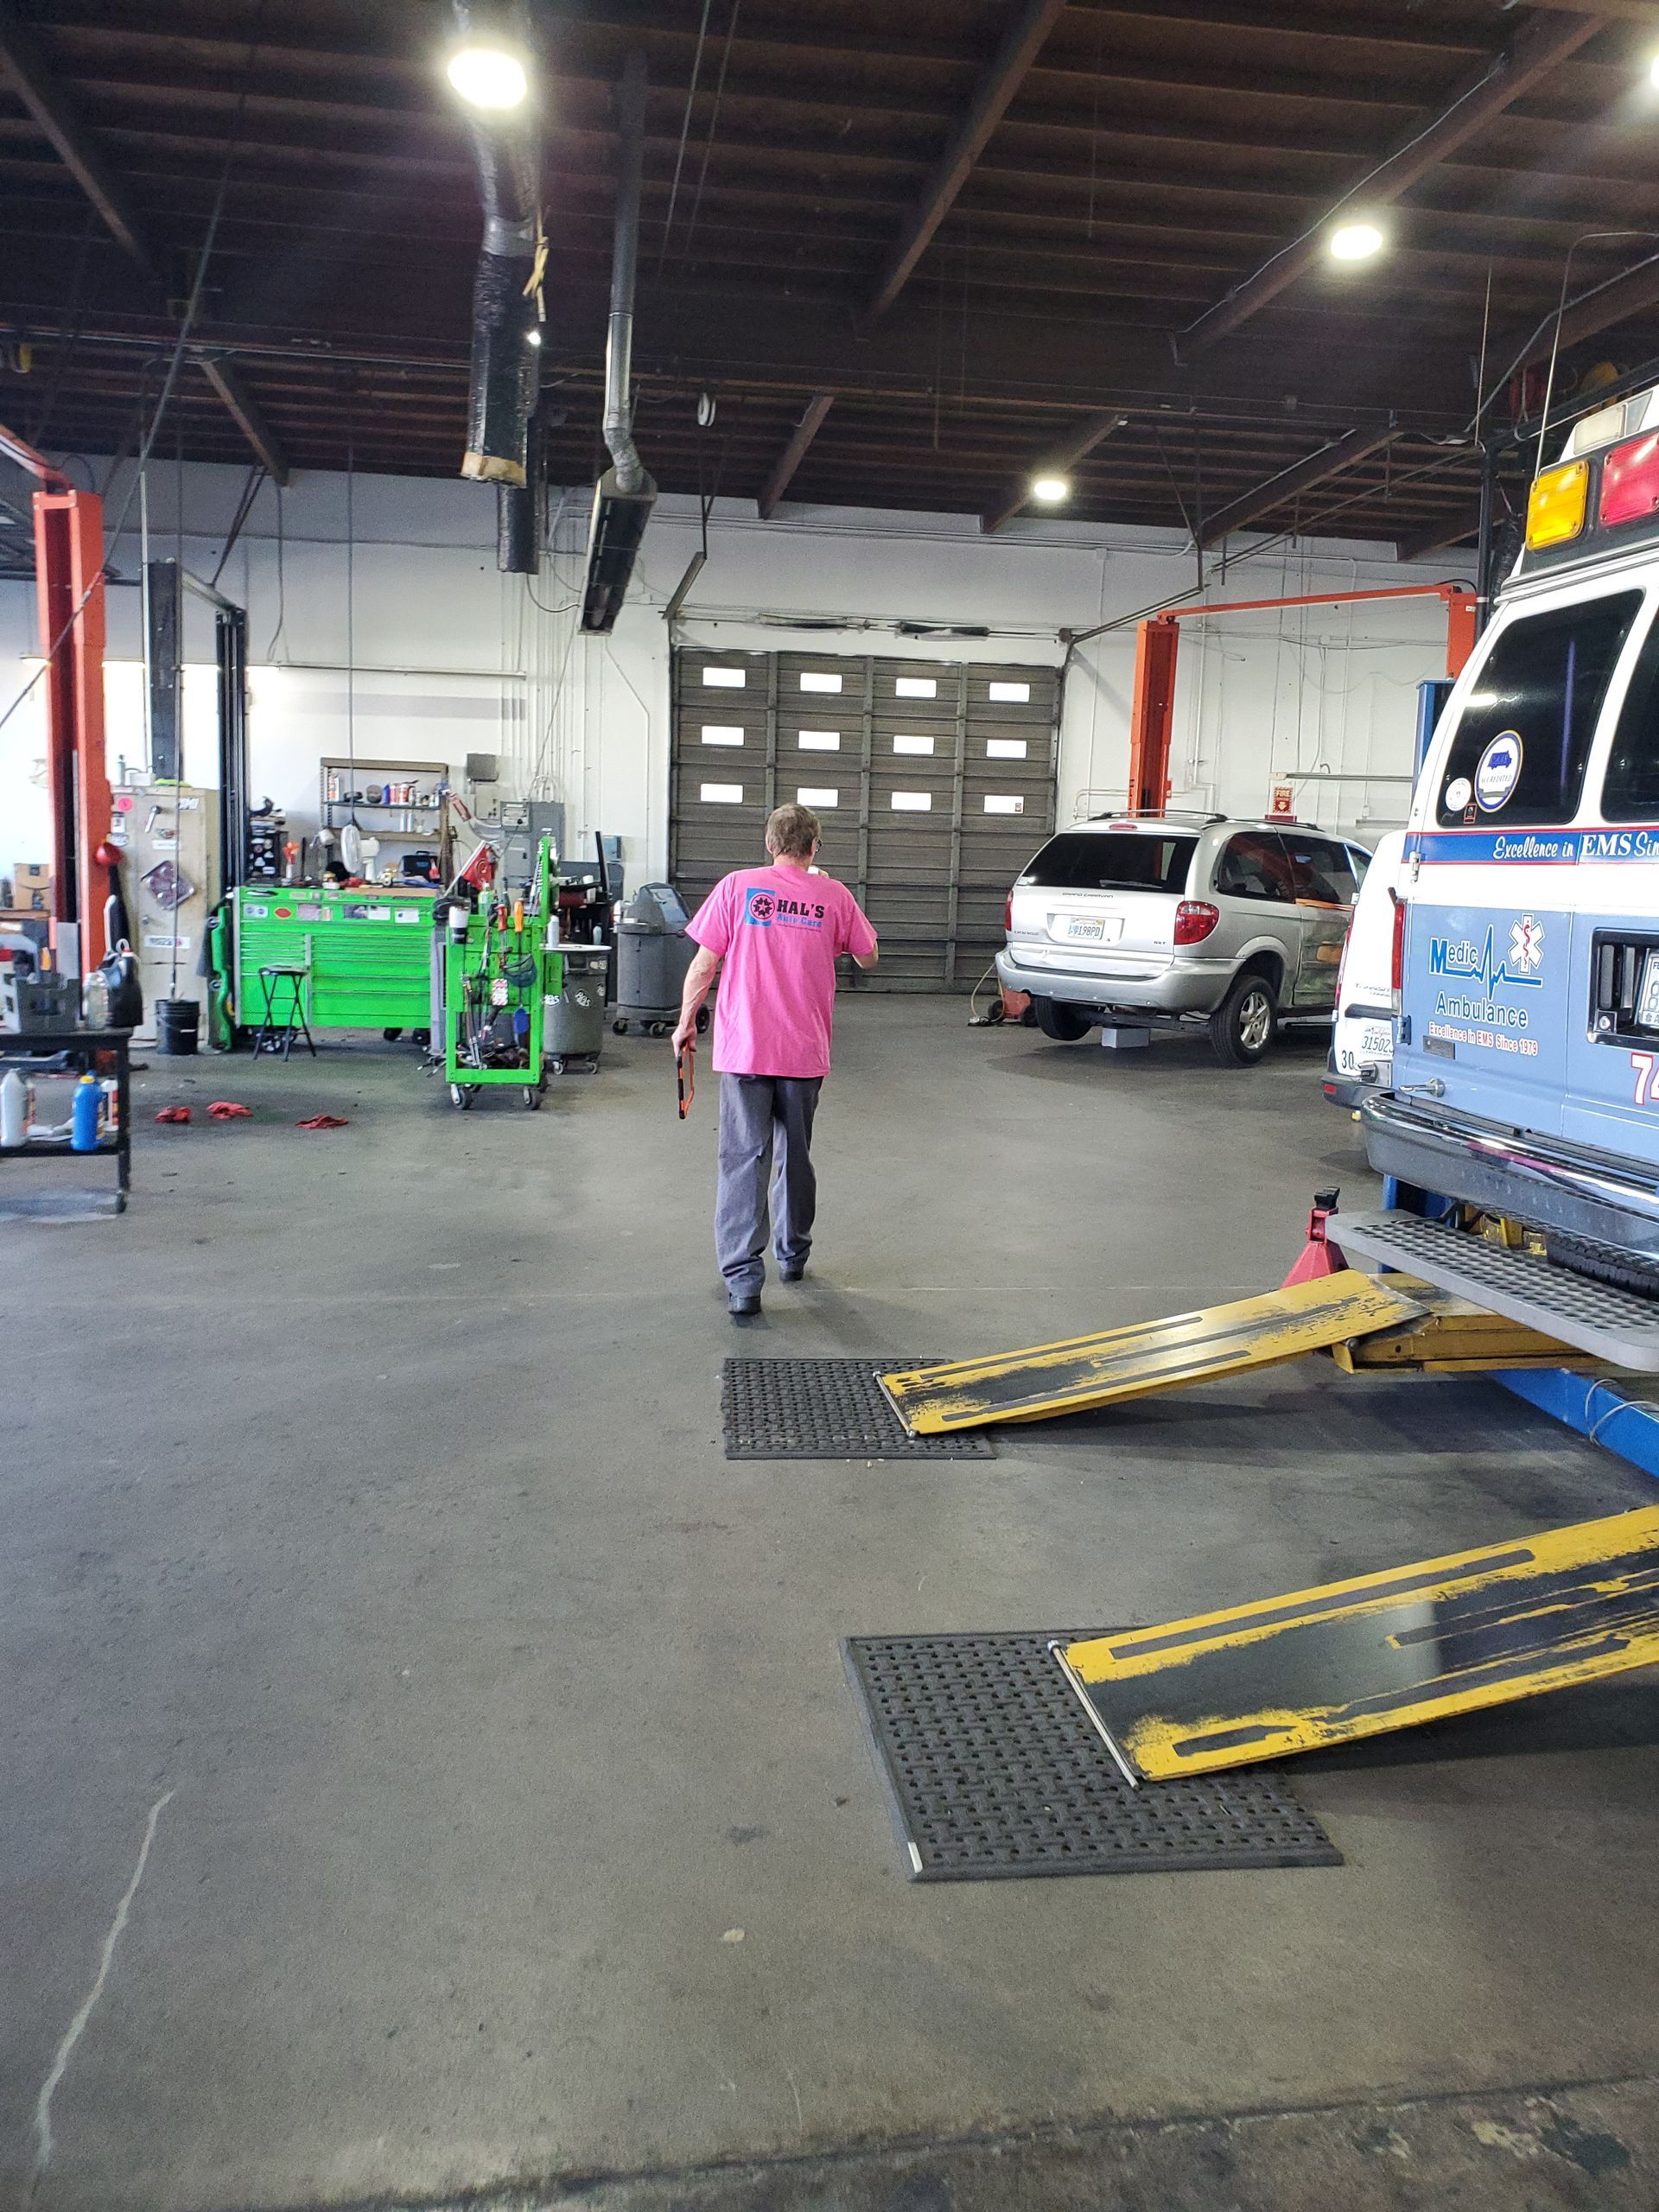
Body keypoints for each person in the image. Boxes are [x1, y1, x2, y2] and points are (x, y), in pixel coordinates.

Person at [673, 803, 878, 1318]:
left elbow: (705, 962)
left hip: (744, 1049)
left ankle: (744, 1281)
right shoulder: (833, 895)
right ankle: (793, 1255)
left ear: (769, 844)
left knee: (743, 1158)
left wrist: (685, 1023)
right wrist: (827, 899)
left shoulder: (737, 887)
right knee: (796, 1154)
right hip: (803, 1052)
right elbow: (868, 956)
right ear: (814, 848)